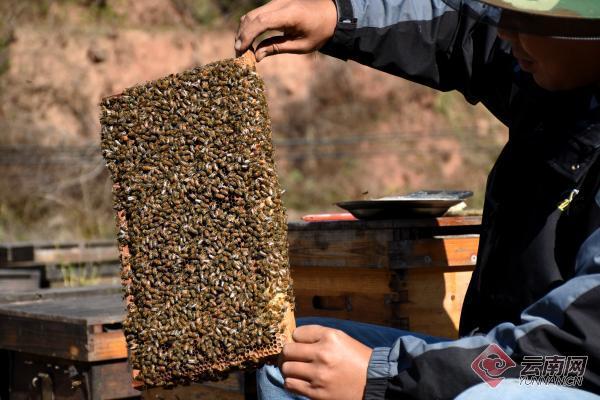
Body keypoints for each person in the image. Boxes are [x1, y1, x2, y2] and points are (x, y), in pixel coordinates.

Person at [235, 0, 600, 399]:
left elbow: (570, 351)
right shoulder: (556, 67)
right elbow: (463, 27)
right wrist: (338, 17)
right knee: (291, 365)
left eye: (528, 19)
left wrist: (382, 378)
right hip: (507, 352)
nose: (506, 31)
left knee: (490, 395)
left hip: (566, 369)